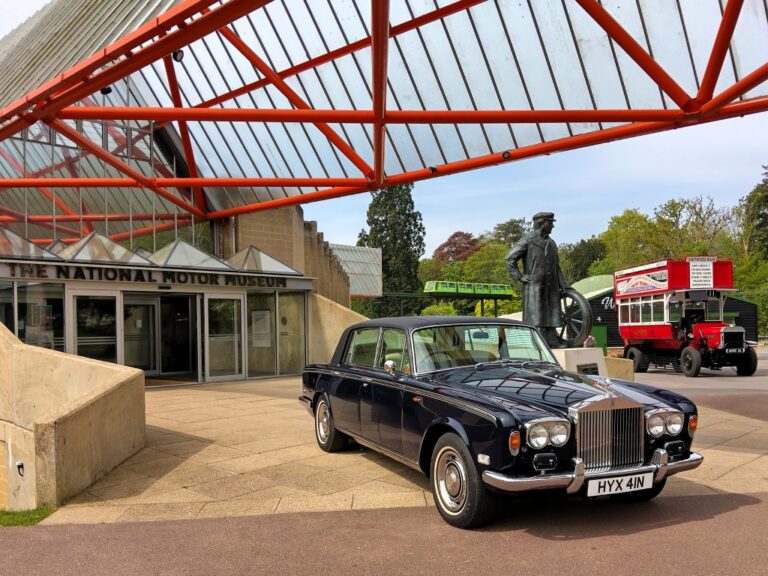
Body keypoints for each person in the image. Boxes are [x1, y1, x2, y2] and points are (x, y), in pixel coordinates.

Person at [505, 212, 571, 348]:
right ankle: (539, 341)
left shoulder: (551, 243)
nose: (553, 226)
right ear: (542, 223)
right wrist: (519, 276)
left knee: (552, 313)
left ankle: (552, 339)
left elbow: (556, 266)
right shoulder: (528, 240)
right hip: (535, 286)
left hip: (551, 286)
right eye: (550, 222)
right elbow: (510, 258)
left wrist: (564, 284)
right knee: (537, 316)